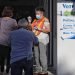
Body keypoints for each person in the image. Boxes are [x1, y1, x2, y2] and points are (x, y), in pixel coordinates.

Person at [31, 7, 51, 73]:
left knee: (42, 55)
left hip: (42, 40)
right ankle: (38, 69)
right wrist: (29, 22)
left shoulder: (45, 20)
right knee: (36, 55)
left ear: (42, 13)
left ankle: (45, 70)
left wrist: (40, 29)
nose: (36, 15)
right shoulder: (35, 20)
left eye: (38, 13)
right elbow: (31, 28)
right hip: (35, 39)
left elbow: (48, 30)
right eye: (36, 13)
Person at [0, 6, 17, 74]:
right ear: (11, 13)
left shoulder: (0, 20)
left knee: (1, 56)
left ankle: (1, 68)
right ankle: (7, 69)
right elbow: (16, 31)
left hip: (1, 40)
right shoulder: (13, 21)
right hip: (10, 41)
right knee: (9, 56)